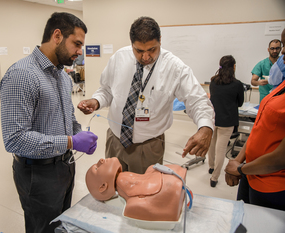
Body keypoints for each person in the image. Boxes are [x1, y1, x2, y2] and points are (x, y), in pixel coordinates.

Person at [0, 12, 98, 232]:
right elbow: (15, 140)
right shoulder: (22, 75)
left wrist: (80, 133)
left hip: (65, 167)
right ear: (57, 36)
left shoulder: (63, 76)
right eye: (77, 44)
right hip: (38, 174)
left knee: (61, 226)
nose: (80, 51)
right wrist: (71, 142)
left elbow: (68, 116)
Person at [78, 16, 214, 174]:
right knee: (112, 189)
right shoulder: (119, 58)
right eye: (139, 51)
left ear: (160, 41)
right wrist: (96, 101)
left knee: (143, 195)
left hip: (148, 147)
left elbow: (197, 101)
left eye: (152, 50)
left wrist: (205, 128)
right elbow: (107, 90)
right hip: (115, 140)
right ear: (132, 44)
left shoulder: (175, 68)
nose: (146, 57)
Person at [224, 29, 285, 211]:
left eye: (282, 47)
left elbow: (281, 158)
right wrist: (238, 162)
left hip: (271, 183)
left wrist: (240, 168)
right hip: (250, 174)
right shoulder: (280, 86)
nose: (281, 53)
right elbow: (258, 130)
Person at [85, 157, 187, 221]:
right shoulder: (133, 203)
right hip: (167, 189)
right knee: (133, 208)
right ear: (103, 186)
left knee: (152, 168)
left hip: (169, 182)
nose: (101, 160)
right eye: (97, 168)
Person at [208, 55, 244, 187]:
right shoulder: (237, 84)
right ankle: (214, 178)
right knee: (221, 150)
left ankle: (211, 167)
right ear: (234, 67)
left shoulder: (213, 82)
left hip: (213, 119)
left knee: (211, 145)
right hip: (227, 121)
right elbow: (240, 103)